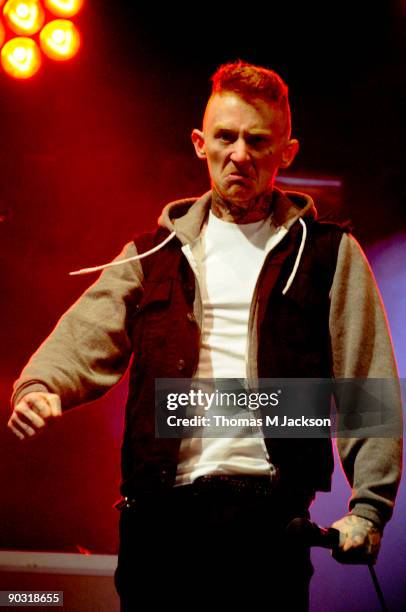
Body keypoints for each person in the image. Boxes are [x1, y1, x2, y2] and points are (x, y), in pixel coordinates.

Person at [8, 61, 402, 610]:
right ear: (200, 143)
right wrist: (41, 386)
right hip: (158, 523)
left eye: (257, 139)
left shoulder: (328, 253)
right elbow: (85, 330)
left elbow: (366, 378)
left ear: (286, 152)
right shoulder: (153, 254)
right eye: (226, 136)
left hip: (269, 523)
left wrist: (369, 507)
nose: (239, 153)